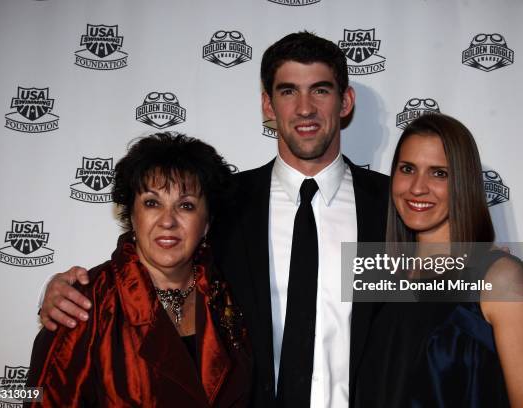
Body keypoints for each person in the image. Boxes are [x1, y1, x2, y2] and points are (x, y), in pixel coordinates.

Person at [37, 32, 390, 407]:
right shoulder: (222, 203)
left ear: (345, 101)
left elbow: (446, 298)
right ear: (268, 106)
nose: (305, 108)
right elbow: (151, 263)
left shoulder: (391, 207)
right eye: (288, 92)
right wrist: (67, 289)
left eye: (320, 90)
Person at [26, 133, 252, 407]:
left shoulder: (227, 294)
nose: (167, 221)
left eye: (186, 205)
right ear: (132, 214)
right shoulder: (83, 304)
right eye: (152, 203)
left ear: (207, 222)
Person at [355, 113, 523, 407]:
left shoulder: (499, 279)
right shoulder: (382, 278)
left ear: (463, 183)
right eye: (407, 168)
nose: (418, 187)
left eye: (439, 173)